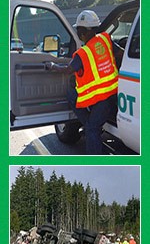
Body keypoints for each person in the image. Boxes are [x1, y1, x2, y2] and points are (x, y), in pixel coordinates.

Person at [46, 10, 118, 154]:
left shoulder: (83, 53)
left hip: (100, 99)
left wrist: (52, 66)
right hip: (114, 93)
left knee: (73, 98)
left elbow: (68, 69)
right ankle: (91, 125)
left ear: (82, 31)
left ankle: (94, 157)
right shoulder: (105, 40)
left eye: (78, 29)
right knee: (91, 124)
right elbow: (120, 52)